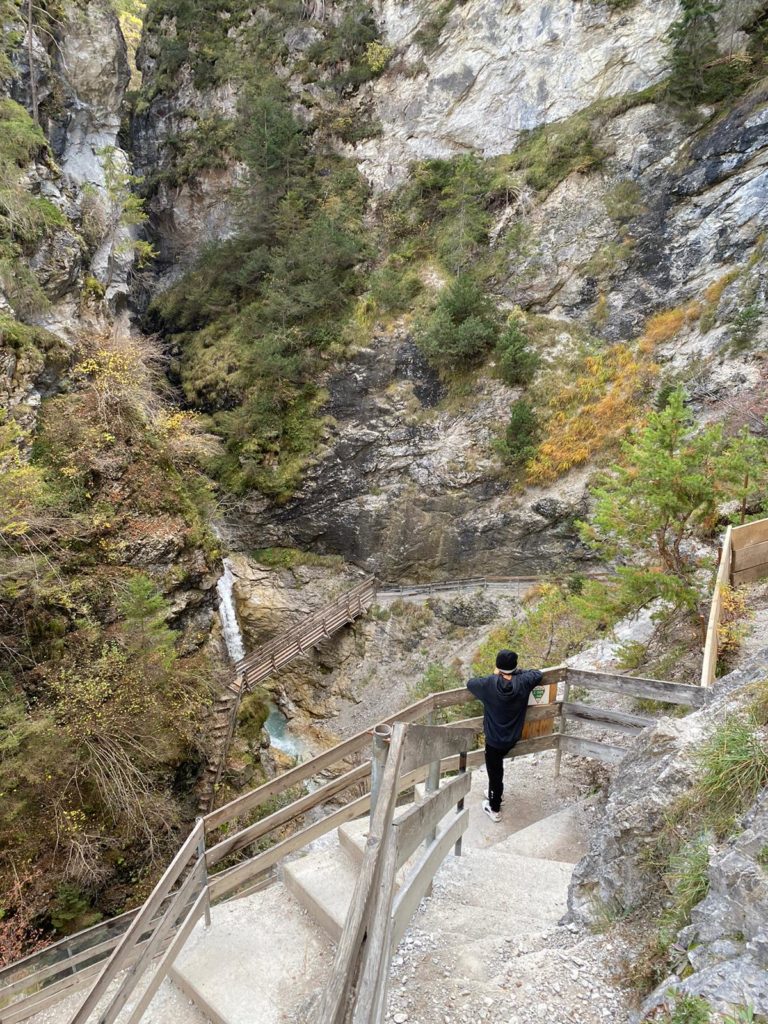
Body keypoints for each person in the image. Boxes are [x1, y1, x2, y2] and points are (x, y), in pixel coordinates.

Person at [466, 649, 543, 823]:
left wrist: (496, 675)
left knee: (495, 773)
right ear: (515, 667)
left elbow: (470, 683)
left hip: (494, 740)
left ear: (497, 666)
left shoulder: (488, 684)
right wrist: (517, 673)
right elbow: (537, 674)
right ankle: (495, 792)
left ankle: (494, 808)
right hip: (513, 737)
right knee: (496, 773)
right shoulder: (523, 681)